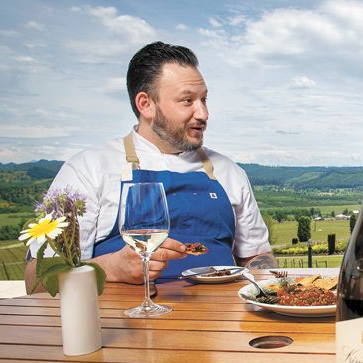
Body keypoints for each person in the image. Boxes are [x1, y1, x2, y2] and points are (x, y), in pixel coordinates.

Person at [25, 41, 275, 289]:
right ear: (145, 104)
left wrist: (264, 280)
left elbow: (257, 257)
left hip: (221, 322)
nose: (203, 114)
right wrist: (111, 267)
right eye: (187, 101)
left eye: (204, 99)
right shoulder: (87, 169)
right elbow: (36, 280)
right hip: (124, 325)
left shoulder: (229, 172)